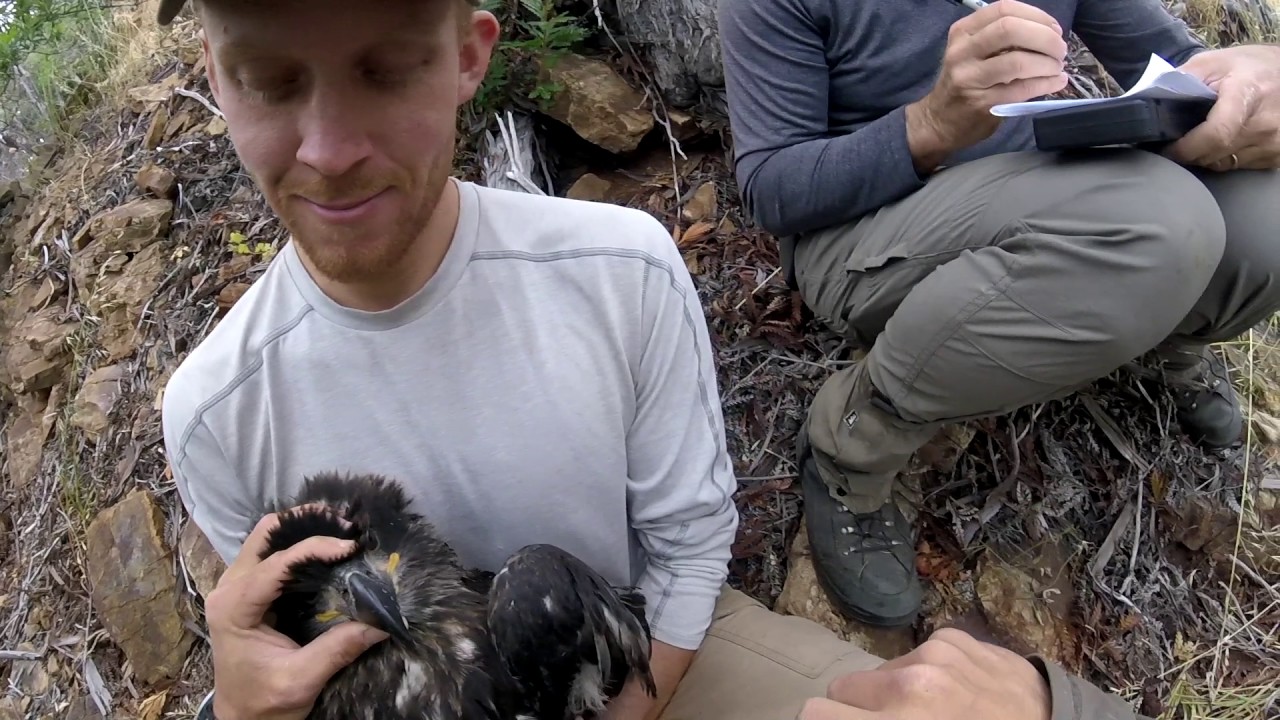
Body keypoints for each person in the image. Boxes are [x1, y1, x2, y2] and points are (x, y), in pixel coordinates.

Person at [155, 0, 1169, 719]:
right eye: (270, 79)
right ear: (213, 76)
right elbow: (288, 657)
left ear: (468, 57)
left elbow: (686, 545)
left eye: (386, 69)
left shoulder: (616, 268)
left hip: (642, 651)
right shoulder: (216, 411)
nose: (330, 147)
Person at [718, 0, 1280, 630]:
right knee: (1159, 225)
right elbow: (772, 189)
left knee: (1269, 207)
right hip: (864, 230)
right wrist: (933, 123)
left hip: (1041, 180)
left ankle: (1170, 333)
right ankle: (854, 441)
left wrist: (1255, 77)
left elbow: (1180, 67)